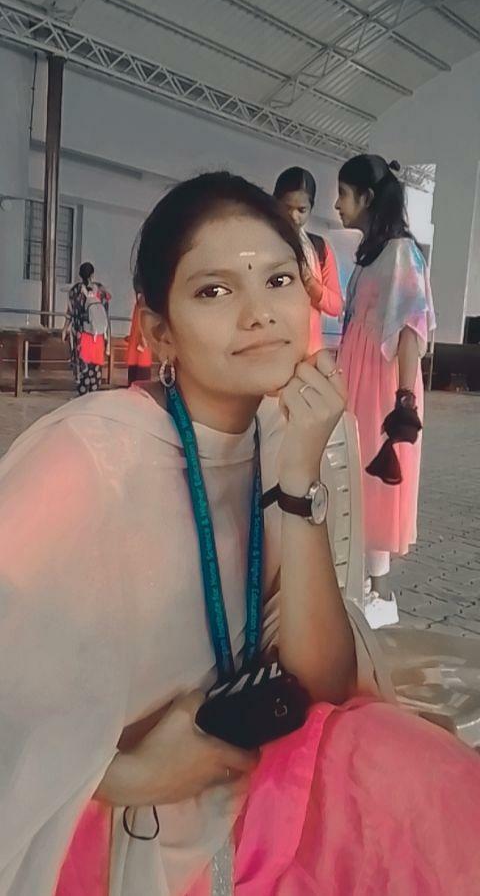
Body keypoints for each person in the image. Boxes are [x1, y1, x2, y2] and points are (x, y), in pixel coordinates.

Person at [1, 173, 478, 896]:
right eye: (214, 291)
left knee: (415, 786)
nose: (259, 314)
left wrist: (299, 482)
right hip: (102, 821)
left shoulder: (282, 436)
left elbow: (322, 680)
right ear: (158, 330)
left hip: (242, 784)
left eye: (278, 280)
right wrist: (126, 773)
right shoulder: (89, 459)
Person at [336, 155, 436, 630]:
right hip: (356, 375)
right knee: (353, 475)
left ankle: (377, 594)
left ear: (367, 197)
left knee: (374, 478)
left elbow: (411, 328)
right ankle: (359, 584)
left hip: (380, 381)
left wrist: (404, 400)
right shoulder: (370, 255)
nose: (337, 205)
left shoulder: (400, 253)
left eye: (343, 194)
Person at [274, 166, 343, 351]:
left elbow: (336, 306)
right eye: (287, 207)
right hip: (273, 348)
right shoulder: (262, 244)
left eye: (301, 210)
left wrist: (312, 285)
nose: (293, 216)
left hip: (309, 351)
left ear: (311, 209)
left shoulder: (319, 248)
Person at [62, 261, 111, 395]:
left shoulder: (75, 291)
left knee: (83, 368)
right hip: (98, 336)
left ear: (80, 275)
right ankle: (93, 395)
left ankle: (83, 396)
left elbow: (70, 312)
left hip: (82, 335)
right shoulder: (101, 291)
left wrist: (65, 328)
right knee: (96, 368)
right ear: (93, 275)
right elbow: (105, 314)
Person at [126, 292, 153, 386]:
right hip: (141, 349)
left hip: (137, 348)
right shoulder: (144, 306)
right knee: (141, 383)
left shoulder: (138, 306)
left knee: (133, 382)